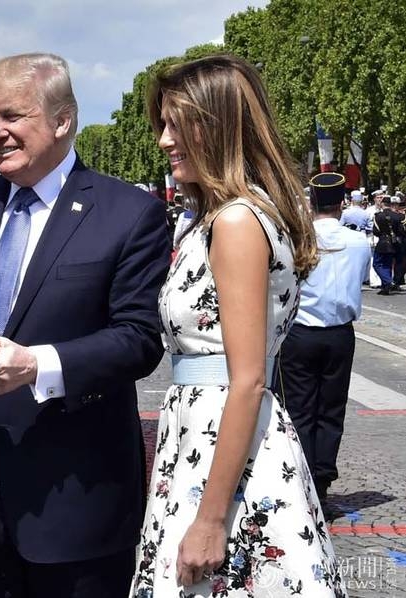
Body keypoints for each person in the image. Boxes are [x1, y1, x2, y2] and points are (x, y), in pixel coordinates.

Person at [0, 53, 171, 597]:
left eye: (11, 116)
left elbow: (140, 338)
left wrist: (37, 366)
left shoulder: (128, 213)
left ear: (63, 120)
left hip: (77, 501)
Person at [131, 54, 345, 597]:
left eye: (178, 124)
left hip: (221, 442)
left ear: (219, 126)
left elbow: (246, 380)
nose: (164, 140)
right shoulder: (227, 215)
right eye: (163, 124)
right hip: (210, 436)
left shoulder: (235, 221)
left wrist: (209, 519)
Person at [273, 172, 371, 506]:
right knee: (331, 411)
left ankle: (302, 485)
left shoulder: (297, 238)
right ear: (341, 202)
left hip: (300, 333)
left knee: (299, 410)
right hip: (340, 333)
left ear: (311, 202)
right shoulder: (358, 241)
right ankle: (323, 481)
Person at [372, 195, 404, 295]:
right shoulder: (397, 216)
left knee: (377, 264)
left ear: (382, 204)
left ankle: (388, 282)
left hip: (383, 242)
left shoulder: (378, 216)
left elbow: (376, 231)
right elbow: (400, 231)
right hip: (394, 242)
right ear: (390, 204)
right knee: (387, 265)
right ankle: (386, 287)